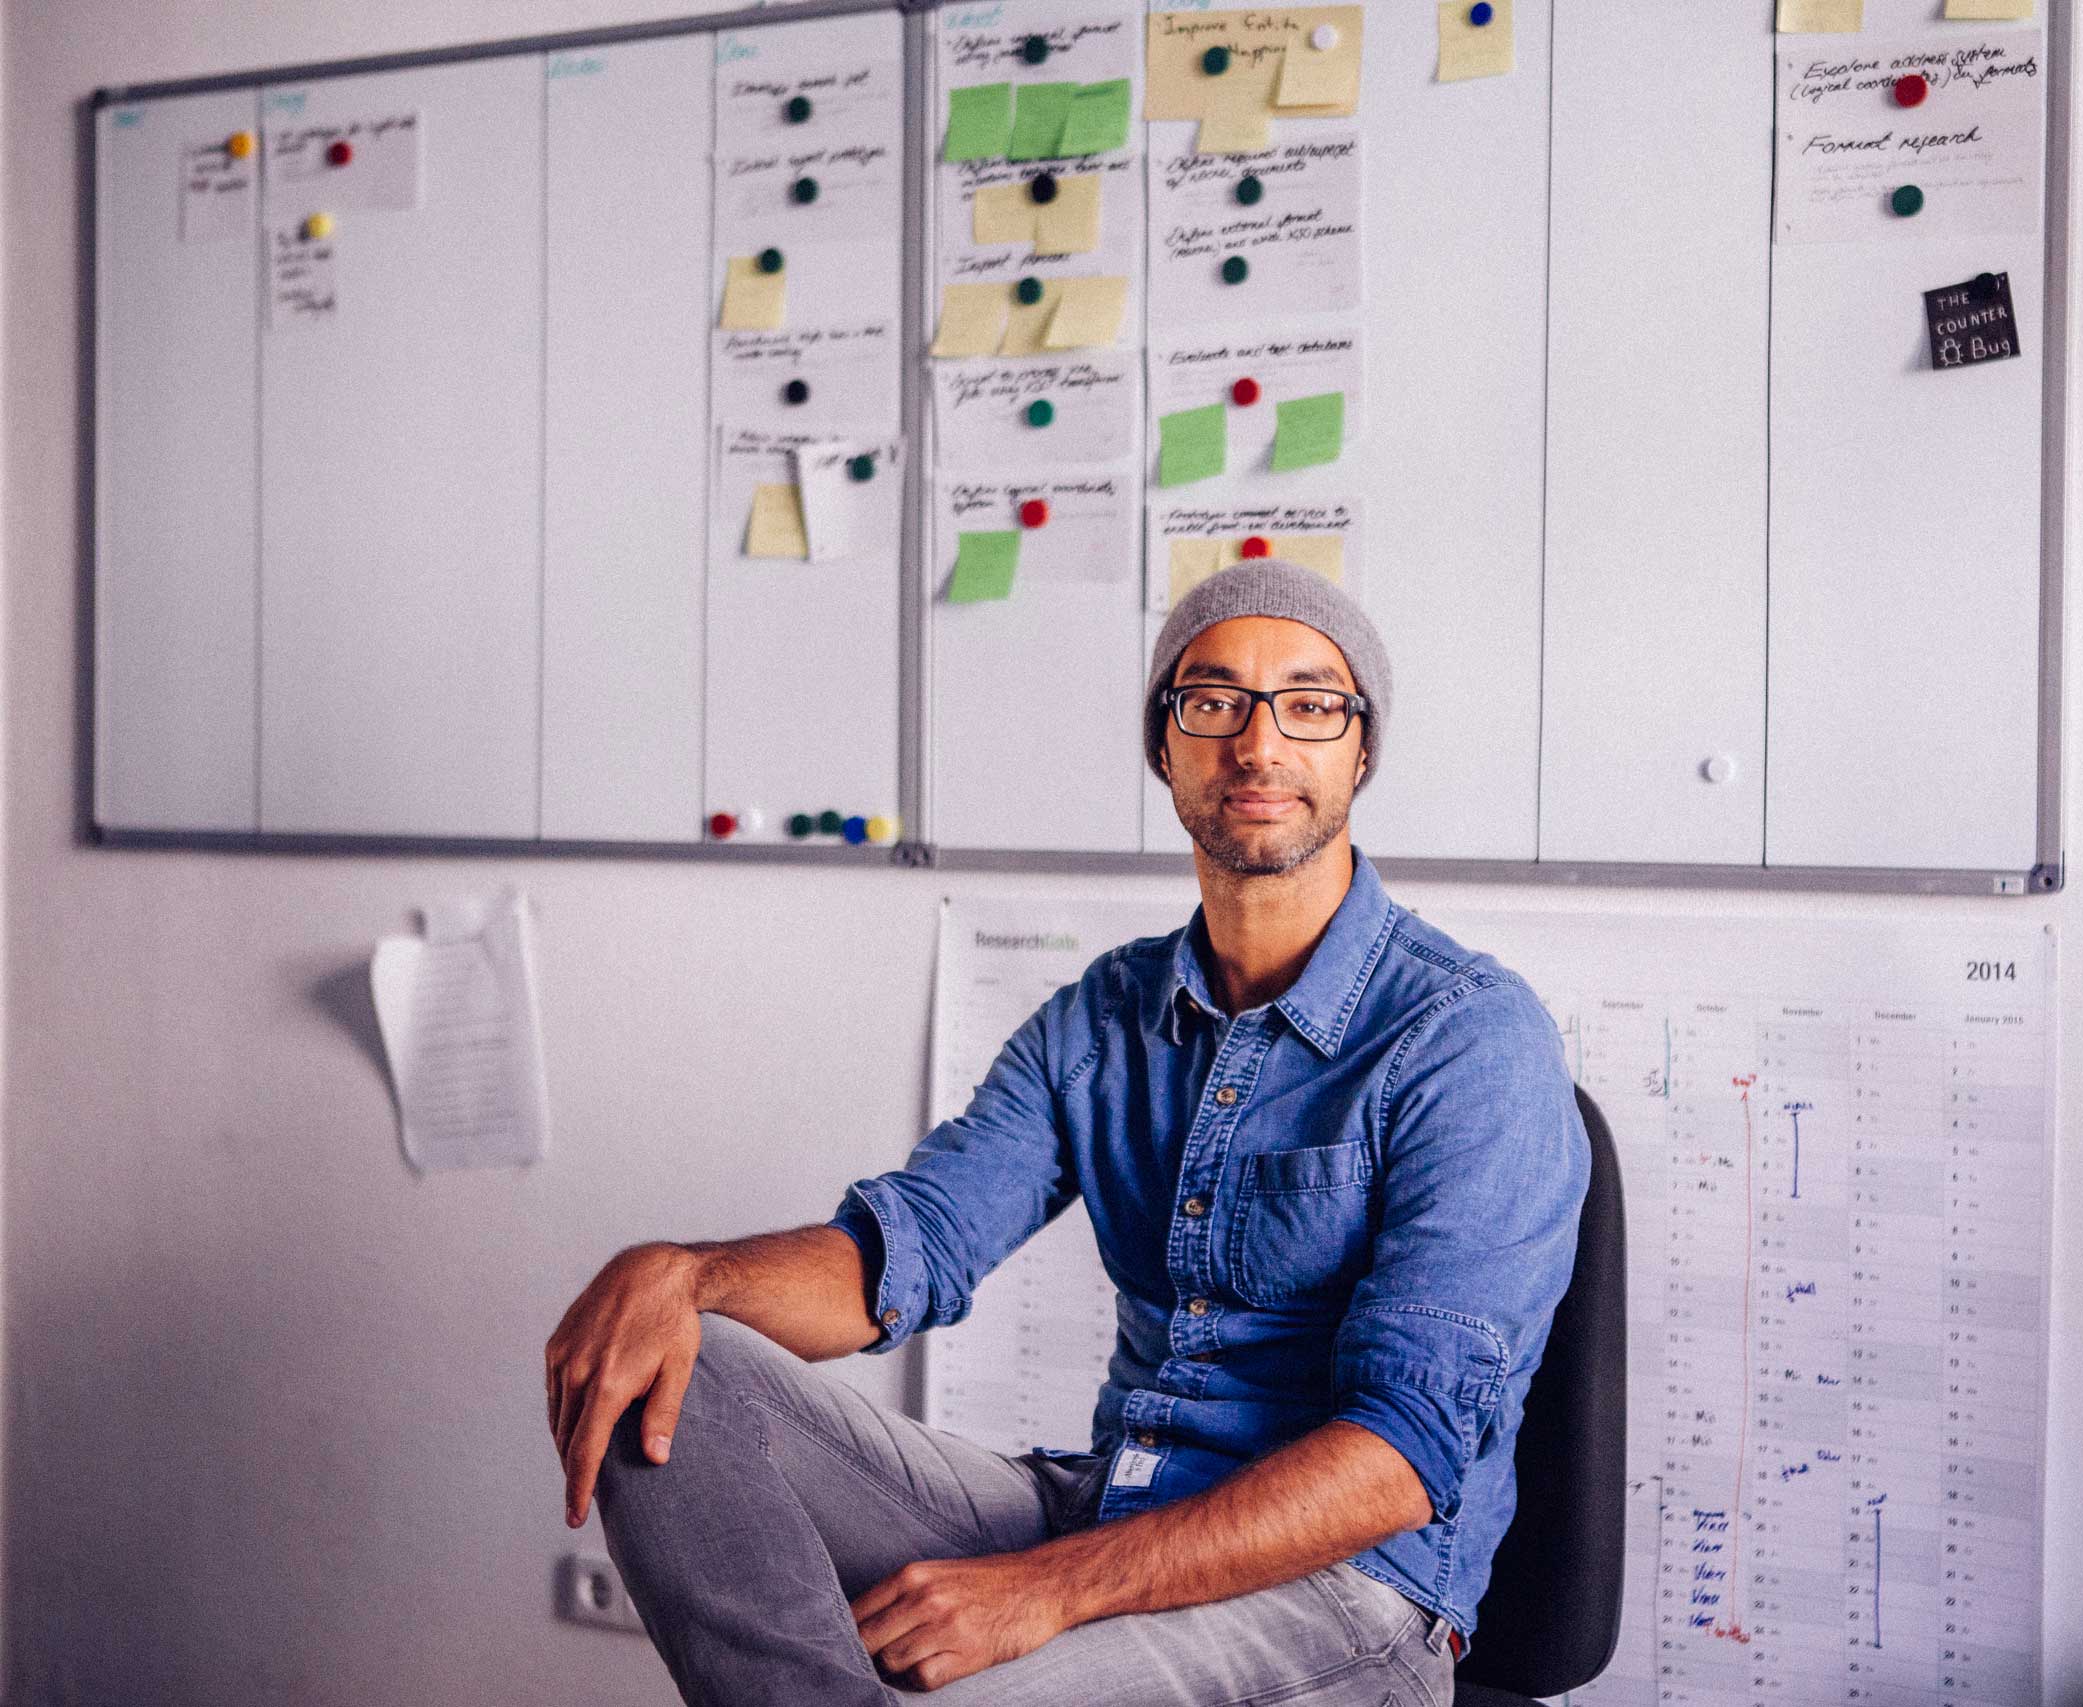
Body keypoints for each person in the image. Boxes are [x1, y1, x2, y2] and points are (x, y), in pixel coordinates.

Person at [544, 561, 1588, 1706]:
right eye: (1213, 701)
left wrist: (1045, 1589)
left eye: (1309, 702)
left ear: (1359, 750)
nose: (1258, 744)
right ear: (1164, 744)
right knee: (684, 1376)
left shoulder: (1469, 1037)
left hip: (1347, 1599)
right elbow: (906, 1255)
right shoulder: (1104, 1017)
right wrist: (683, 1277)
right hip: (1115, 1500)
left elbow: (1400, 1459)